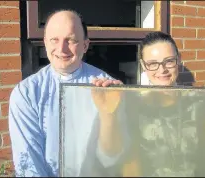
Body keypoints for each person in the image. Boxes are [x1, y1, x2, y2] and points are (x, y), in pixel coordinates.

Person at [121, 32, 205, 177]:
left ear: (179, 60)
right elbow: (129, 168)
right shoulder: (133, 107)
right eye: (153, 63)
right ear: (143, 65)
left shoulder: (200, 103)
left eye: (169, 61)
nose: (162, 70)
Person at [8, 9, 124, 177]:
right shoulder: (27, 93)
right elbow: (28, 164)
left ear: (85, 45)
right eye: (54, 40)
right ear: (45, 43)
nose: (61, 49)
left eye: (70, 40)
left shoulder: (106, 87)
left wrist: (116, 111)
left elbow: (115, 156)